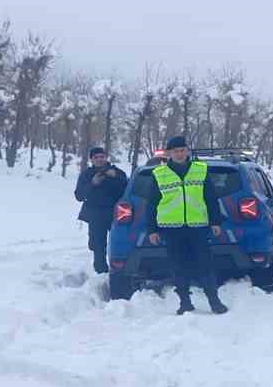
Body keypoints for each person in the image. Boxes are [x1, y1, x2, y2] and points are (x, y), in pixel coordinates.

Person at [141, 135, 227, 315]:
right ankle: (185, 302)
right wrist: (152, 229)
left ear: (187, 151)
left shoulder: (200, 170)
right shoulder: (159, 174)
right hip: (172, 229)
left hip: (198, 227)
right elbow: (152, 204)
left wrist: (216, 221)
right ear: (169, 153)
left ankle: (214, 301)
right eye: (175, 151)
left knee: (205, 265)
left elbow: (211, 198)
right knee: (178, 266)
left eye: (182, 150)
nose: (179, 154)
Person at [73, 146, 126, 274]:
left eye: (102, 157)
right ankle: (101, 273)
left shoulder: (117, 172)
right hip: (95, 215)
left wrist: (115, 178)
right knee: (97, 246)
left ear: (106, 157)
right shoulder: (86, 175)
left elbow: (127, 191)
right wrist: (92, 184)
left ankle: (120, 271)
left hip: (115, 214)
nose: (99, 160)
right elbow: (79, 196)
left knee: (119, 244)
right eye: (96, 157)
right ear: (91, 159)